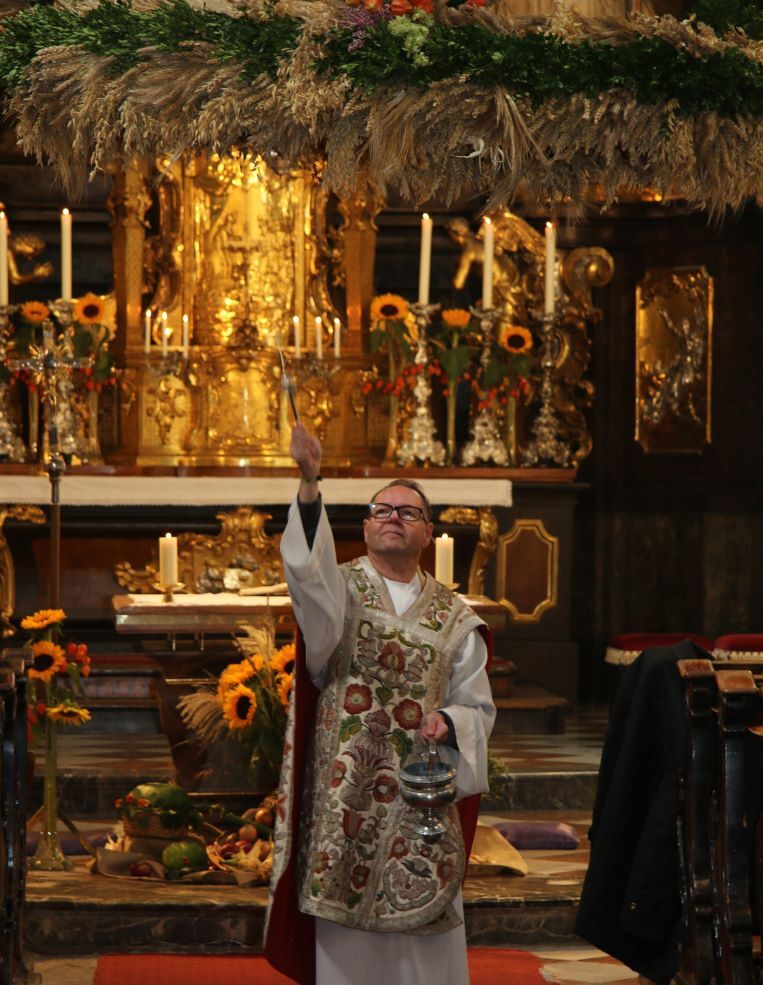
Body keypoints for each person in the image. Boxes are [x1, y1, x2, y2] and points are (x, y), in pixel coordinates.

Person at [265, 423, 496, 985]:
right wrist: (310, 480)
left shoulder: (455, 617)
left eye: (408, 512)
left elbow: (477, 706)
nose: (394, 517)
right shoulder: (338, 592)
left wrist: (450, 721)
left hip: (417, 795)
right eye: (382, 510)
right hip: (345, 794)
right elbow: (305, 570)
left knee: (422, 928)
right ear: (366, 527)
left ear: (428, 533)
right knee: (346, 943)